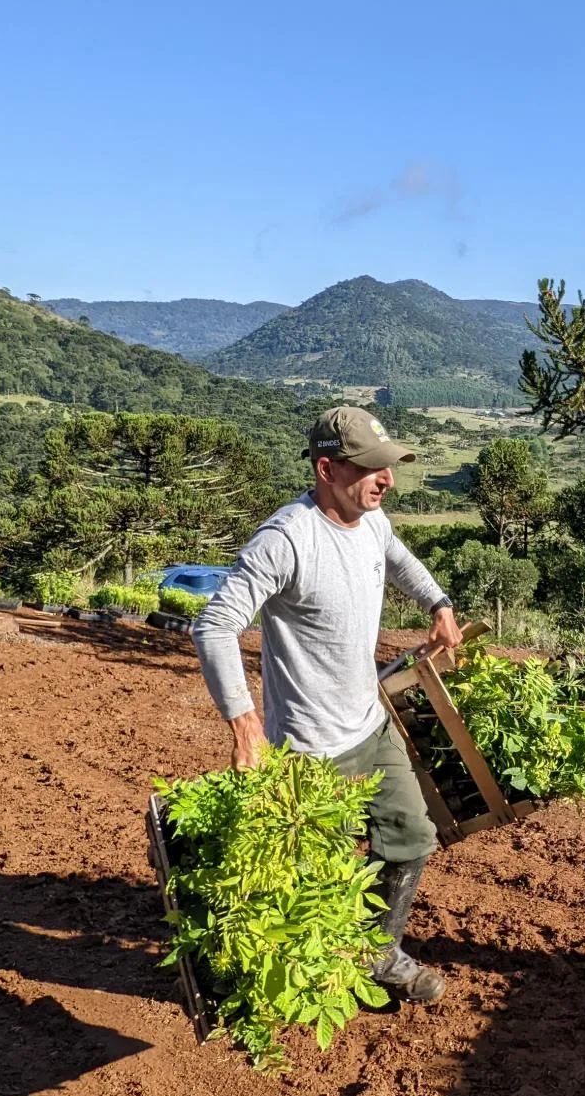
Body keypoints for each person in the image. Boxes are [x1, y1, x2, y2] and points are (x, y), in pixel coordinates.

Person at [190, 404, 462, 1002]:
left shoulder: (373, 521)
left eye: (388, 467)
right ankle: (315, 975)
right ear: (326, 469)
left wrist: (438, 604)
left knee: (413, 837)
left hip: (370, 725)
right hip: (311, 749)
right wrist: (245, 727)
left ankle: (378, 956)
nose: (386, 480)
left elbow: (399, 559)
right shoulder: (288, 538)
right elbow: (214, 626)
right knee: (323, 879)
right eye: (371, 469)